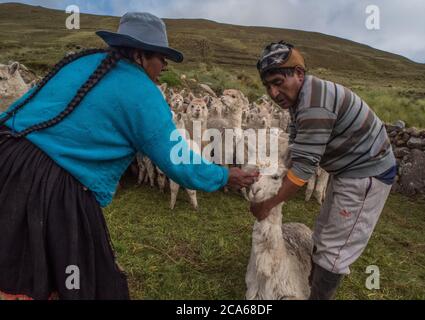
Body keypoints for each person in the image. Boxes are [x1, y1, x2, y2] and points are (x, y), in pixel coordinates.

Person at [0, 12, 258, 300]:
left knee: (12, 259)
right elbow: (179, 161)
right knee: (74, 279)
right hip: (52, 186)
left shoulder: (78, 63)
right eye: (161, 57)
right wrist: (224, 175)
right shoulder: (142, 93)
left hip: (8, 161)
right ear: (140, 54)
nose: (164, 66)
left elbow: (15, 110)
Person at [250, 41, 397, 300]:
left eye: (278, 82)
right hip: (349, 170)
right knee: (323, 231)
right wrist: (274, 172)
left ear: (299, 73)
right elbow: (296, 144)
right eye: (268, 86)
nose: (273, 93)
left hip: (366, 174)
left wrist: (269, 204)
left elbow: (304, 169)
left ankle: (318, 295)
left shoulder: (315, 103)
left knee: (335, 250)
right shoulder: (302, 98)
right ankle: (311, 282)